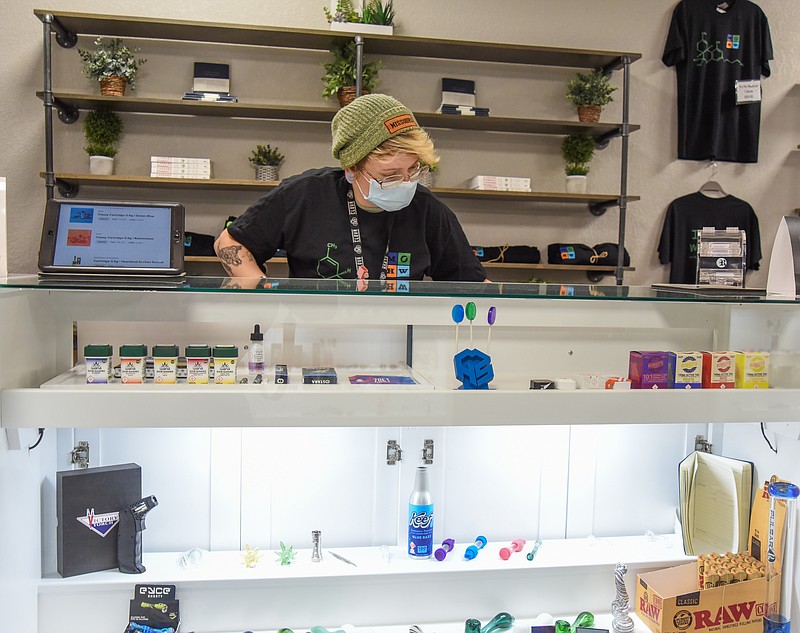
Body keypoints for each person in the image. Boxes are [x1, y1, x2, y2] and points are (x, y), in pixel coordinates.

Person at [215, 93, 487, 284]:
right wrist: (259, 290)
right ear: (351, 169)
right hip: (313, 343)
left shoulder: (428, 210)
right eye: (390, 176)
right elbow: (229, 242)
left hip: (398, 345)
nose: (406, 183)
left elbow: (471, 283)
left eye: (414, 170)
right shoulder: (304, 195)